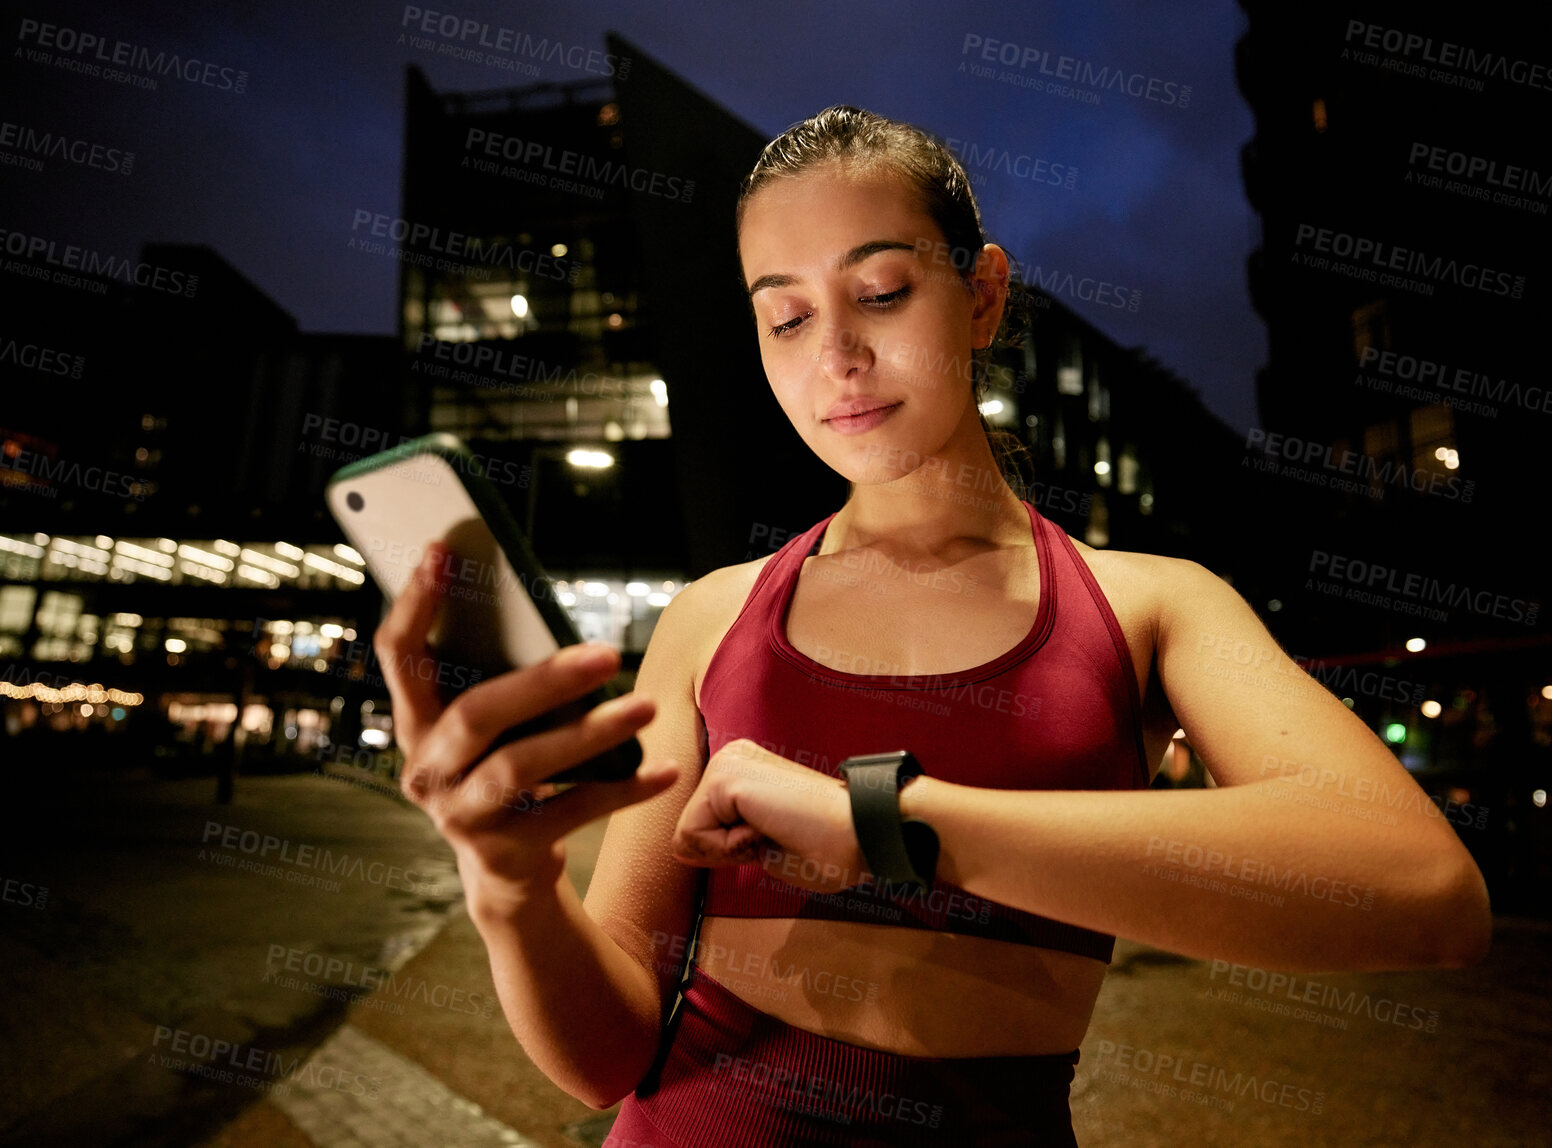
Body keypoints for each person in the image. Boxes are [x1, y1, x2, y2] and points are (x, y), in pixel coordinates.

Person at [375, 106, 1491, 1148]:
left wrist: (889, 825)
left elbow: (1420, 889)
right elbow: (606, 1059)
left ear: (985, 294)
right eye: (787, 315)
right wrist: (511, 885)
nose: (835, 358)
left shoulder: (1151, 602)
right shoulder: (713, 615)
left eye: (884, 291)